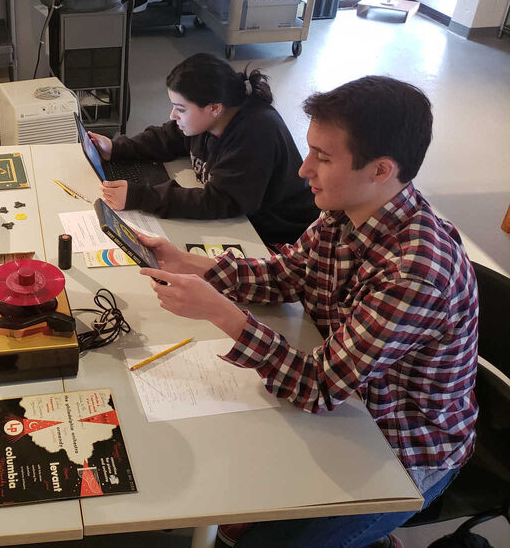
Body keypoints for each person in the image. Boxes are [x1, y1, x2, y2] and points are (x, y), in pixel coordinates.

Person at [137, 76, 478, 548]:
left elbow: (316, 387)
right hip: (355, 405)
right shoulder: (348, 208)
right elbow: (289, 274)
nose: (303, 169)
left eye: (323, 157)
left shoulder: (415, 273)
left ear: (380, 170)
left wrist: (222, 314)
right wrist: (190, 262)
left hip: (402, 450)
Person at [87, 52, 318, 246]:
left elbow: (219, 201)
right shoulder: (212, 118)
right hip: (241, 221)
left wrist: (140, 196)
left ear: (214, 108)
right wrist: (116, 149)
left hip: (272, 237)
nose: (173, 115)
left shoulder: (257, 133)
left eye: (181, 108)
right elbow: (170, 136)